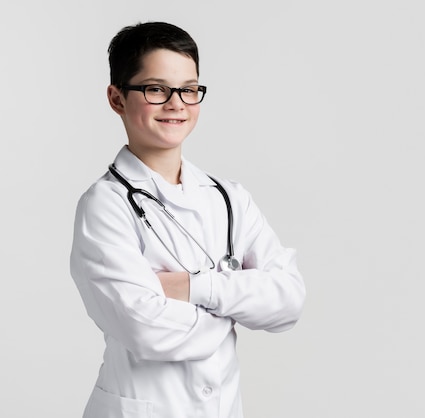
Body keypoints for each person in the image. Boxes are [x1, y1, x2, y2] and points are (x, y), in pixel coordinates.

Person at [70, 21, 306, 418]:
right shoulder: (105, 205)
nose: (177, 103)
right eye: (156, 89)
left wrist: (194, 288)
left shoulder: (230, 198)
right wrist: (234, 308)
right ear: (117, 98)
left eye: (189, 89)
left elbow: (288, 301)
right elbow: (148, 332)